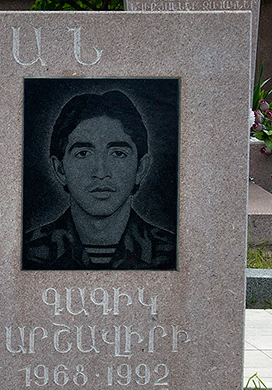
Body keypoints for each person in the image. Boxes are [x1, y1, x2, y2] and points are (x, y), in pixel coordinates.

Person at [23, 90, 175, 270]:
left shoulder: (173, 253)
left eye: (118, 153)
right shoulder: (26, 252)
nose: (101, 173)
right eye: (83, 154)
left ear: (140, 168)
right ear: (60, 169)